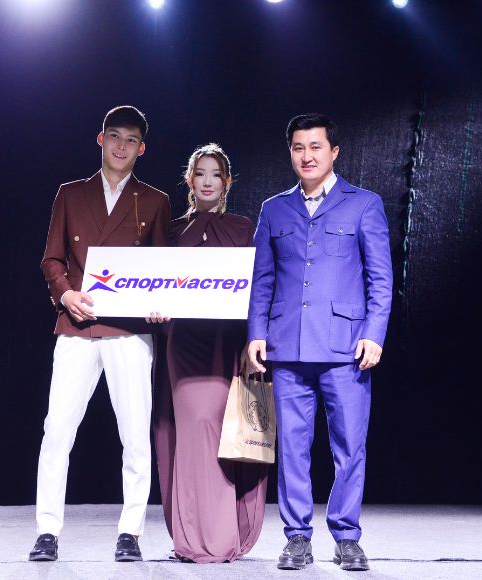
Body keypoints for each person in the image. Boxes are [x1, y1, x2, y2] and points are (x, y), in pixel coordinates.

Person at [247, 114, 392, 572]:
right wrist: (256, 333)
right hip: (288, 347)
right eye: (298, 147)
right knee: (292, 447)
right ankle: (296, 537)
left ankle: (347, 536)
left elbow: (380, 278)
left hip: (346, 349)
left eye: (315, 146)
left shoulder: (363, 204)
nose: (306, 156)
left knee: (349, 447)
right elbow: (262, 280)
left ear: (334, 152)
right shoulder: (274, 209)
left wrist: (373, 333)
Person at [30, 105, 171, 563]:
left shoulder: (155, 201)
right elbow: (52, 259)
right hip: (77, 326)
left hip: (129, 331)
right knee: (57, 430)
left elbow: (162, 269)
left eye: (131, 140)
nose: (121, 146)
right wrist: (65, 294)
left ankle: (131, 532)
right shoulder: (70, 194)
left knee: (135, 434)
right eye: (114, 136)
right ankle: (47, 531)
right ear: (100, 138)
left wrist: (159, 303)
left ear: (141, 148)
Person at [153, 144, 268, 563]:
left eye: (215, 174)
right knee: (194, 427)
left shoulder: (242, 229)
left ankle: (223, 533)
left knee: (223, 430)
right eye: (200, 173)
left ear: (227, 182)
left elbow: (259, 288)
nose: (207, 181)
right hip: (184, 342)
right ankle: (193, 537)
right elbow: (153, 283)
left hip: (228, 341)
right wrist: (155, 307)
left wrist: (253, 341)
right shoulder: (171, 232)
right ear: (189, 180)